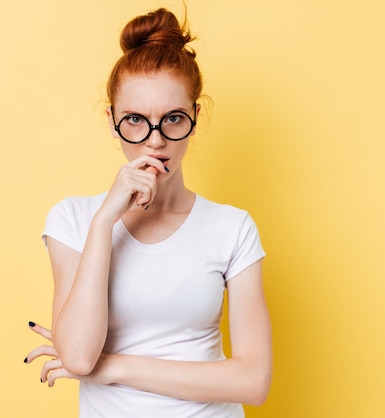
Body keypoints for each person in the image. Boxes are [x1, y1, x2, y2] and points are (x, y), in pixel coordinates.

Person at [25, 8, 272, 417]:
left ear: (194, 116)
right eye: (136, 121)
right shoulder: (73, 220)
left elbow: (253, 381)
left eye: (173, 119)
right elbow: (80, 358)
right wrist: (104, 222)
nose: (155, 143)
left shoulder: (233, 228)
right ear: (112, 120)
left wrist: (115, 367)